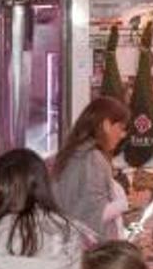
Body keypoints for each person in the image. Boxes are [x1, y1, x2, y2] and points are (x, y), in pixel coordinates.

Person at [51, 97, 131, 240]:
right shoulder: (92, 158)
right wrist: (126, 203)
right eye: (121, 128)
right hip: (90, 252)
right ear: (106, 125)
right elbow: (94, 215)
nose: (123, 135)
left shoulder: (75, 151)